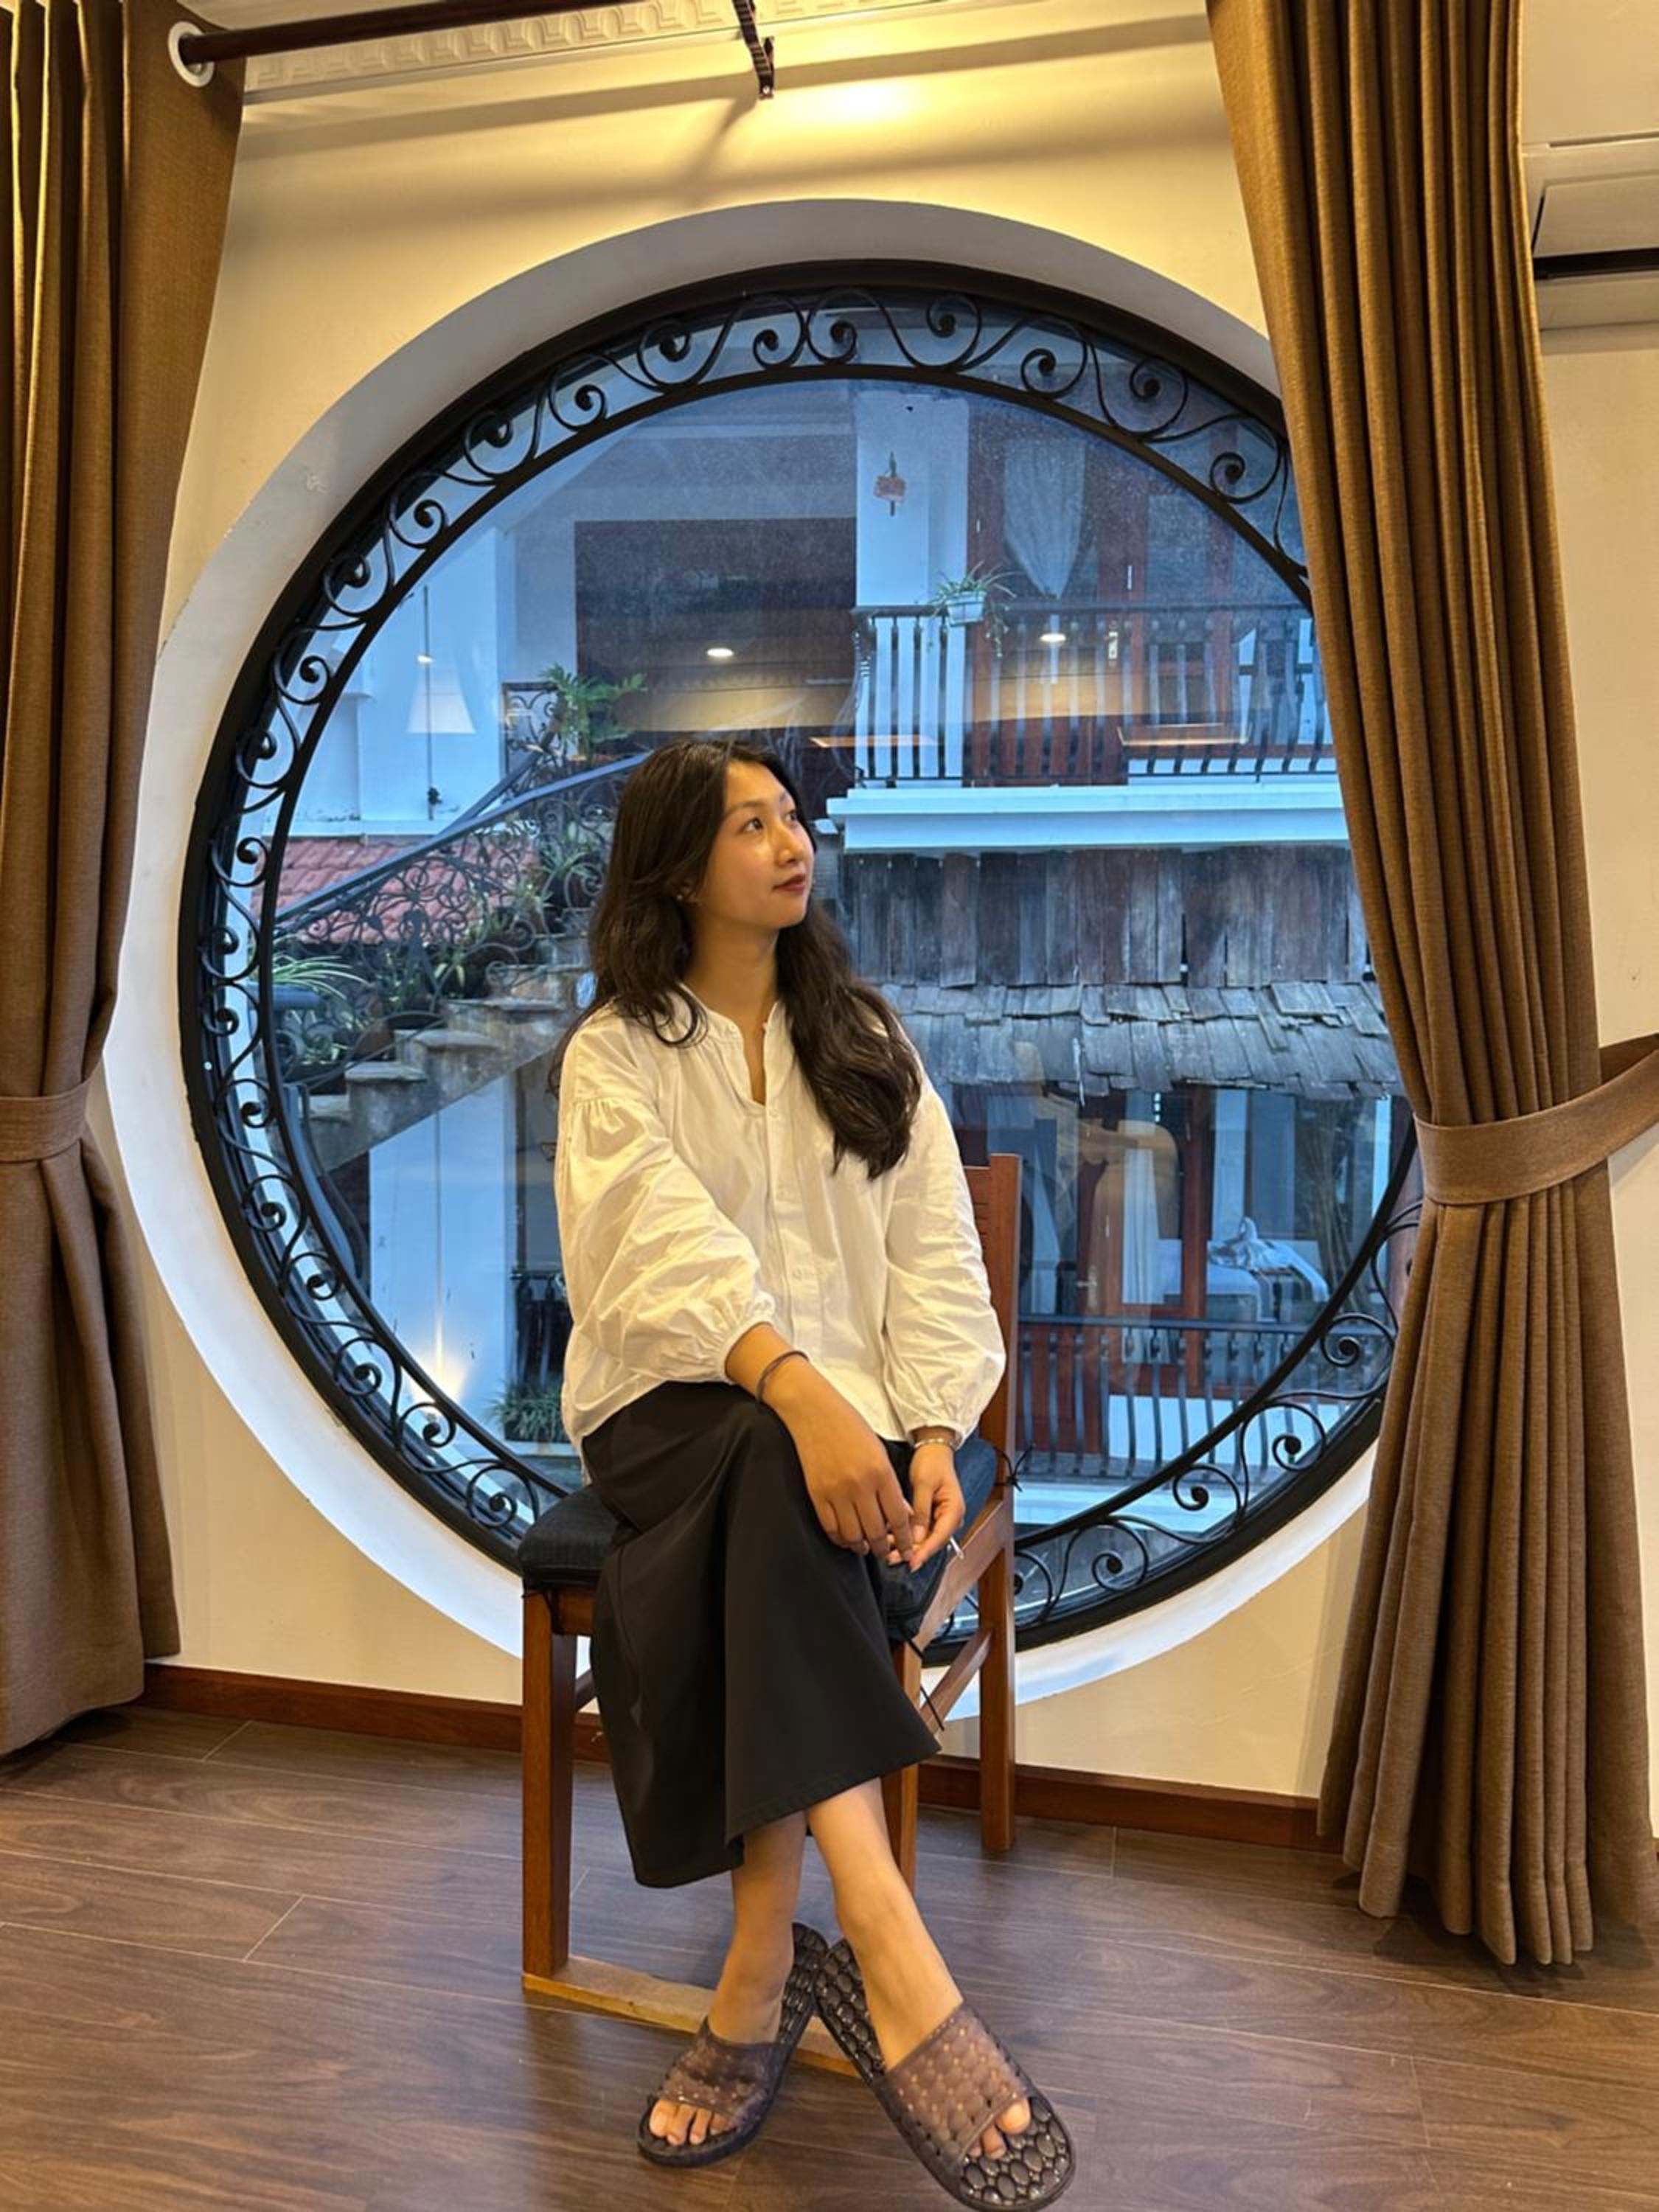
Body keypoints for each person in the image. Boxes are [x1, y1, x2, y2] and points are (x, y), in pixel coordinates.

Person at [547, 735, 1064, 2191]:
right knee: (772, 1458)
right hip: (663, 1407)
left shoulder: (864, 1041)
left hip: (839, 1439)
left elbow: (936, 1256)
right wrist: (797, 1389)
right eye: (751, 824)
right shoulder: (614, 1055)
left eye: (793, 818)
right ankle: (888, 1933)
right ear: (675, 867)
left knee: (777, 1496)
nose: (792, 844)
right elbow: (648, 1255)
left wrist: (929, 1428)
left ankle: (761, 1966)